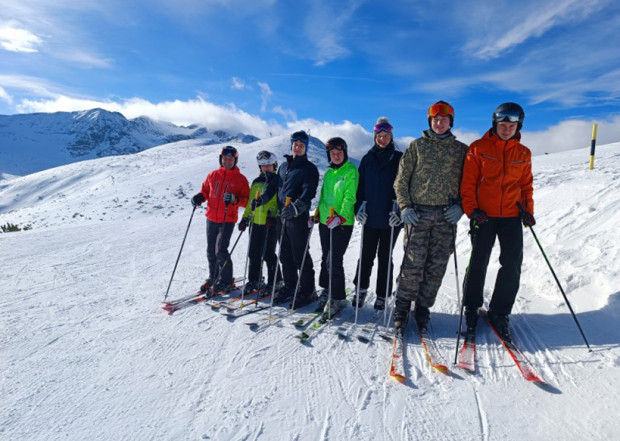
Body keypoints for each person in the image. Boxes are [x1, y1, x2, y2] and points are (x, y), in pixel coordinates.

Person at [460, 102, 535, 341]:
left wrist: (528, 210)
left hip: (512, 216)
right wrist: (472, 210)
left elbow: (526, 186)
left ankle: (500, 312)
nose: (506, 129)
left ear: (518, 126)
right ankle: (471, 307)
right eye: (503, 125)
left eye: (511, 125)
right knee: (479, 260)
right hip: (484, 214)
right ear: (495, 124)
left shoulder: (523, 153)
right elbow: (468, 183)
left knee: (512, 263)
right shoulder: (478, 148)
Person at [392, 101, 469, 331]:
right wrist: (405, 207)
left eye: (444, 119)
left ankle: (423, 308)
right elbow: (401, 180)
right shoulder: (416, 146)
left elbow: (470, 183)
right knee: (412, 264)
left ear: (450, 122)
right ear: (430, 121)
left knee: (436, 266)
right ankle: (402, 307)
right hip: (418, 214)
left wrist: (462, 206)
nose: (439, 123)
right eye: (435, 119)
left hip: (447, 216)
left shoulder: (461, 150)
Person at [353, 117, 403, 311]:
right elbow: (360, 187)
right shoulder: (367, 159)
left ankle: (382, 294)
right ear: (374, 137)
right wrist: (359, 208)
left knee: (385, 256)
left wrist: (400, 210)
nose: (382, 139)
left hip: (391, 217)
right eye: (379, 136)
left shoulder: (399, 158)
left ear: (391, 136)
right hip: (371, 215)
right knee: (366, 255)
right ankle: (361, 288)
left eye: (386, 136)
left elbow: (404, 186)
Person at [192, 146, 249, 293]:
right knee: (211, 251)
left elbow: (246, 200)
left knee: (221, 250)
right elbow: (205, 191)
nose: (227, 161)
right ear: (221, 159)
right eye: (225, 158)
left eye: (231, 159)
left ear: (235, 160)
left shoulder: (240, 179)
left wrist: (235, 199)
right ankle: (214, 277)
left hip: (227, 219)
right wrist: (199, 197)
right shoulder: (212, 175)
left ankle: (226, 281)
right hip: (211, 217)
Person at [273, 130, 320, 308]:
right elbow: (276, 188)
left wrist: (296, 208)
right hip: (281, 217)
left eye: (301, 145)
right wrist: (263, 199)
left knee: (300, 255)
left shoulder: (309, 168)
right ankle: (291, 286)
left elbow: (309, 192)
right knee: (285, 255)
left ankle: (308, 291)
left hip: (297, 219)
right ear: (291, 145)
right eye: (295, 144)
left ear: (306, 147)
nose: (297, 147)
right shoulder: (284, 167)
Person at [316, 137, 359, 315]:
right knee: (326, 256)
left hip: (342, 223)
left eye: (339, 153)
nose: (336, 155)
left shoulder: (350, 171)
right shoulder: (328, 173)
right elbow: (324, 198)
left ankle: (337, 297)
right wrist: (317, 213)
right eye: (333, 153)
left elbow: (350, 197)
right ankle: (327, 289)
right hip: (325, 222)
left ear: (345, 153)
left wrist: (340, 217)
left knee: (334, 259)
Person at [238, 151, 282, 294]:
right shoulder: (257, 182)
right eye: (263, 165)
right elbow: (251, 202)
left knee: (268, 253)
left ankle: (276, 281)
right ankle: (254, 280)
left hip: (270, 222)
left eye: (268, 165)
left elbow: (276, 200)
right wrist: (245, 218)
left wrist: (274, 217)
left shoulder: (277, 180)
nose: (266, 167)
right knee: (253, 253)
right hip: (255, 223)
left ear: (274, 165)